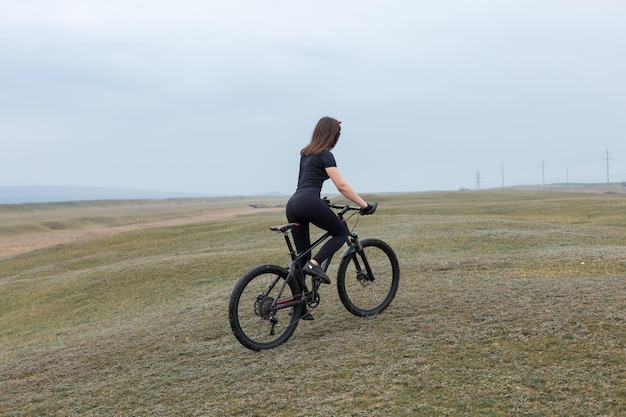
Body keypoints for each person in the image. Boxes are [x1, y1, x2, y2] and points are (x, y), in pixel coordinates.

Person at [286, 116, 376, 286]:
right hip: (309, 201)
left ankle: (299, 308)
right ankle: (314, 264)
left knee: (302, 257)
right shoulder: (326, 155)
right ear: (332, 135)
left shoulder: (305, 153)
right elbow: (341, 186)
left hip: (293, 203)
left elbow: (304, 182)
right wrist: (364, 205)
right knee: (341, 233)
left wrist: (317, 202)